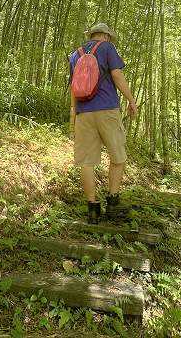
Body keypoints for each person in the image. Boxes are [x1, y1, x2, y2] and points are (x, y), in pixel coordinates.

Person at [69, 22, 138, 224]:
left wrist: (74, 115)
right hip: (107, 109)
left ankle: (92, 210)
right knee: (118, 156)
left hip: (83, 113)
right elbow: (117, 74)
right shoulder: (108, 48)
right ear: (106, 36)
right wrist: (131, 100)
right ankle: (113, 204)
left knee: (86, 161)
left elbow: (74, 88)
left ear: (91, 35)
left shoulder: (76, 54)